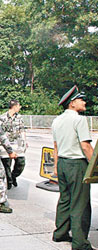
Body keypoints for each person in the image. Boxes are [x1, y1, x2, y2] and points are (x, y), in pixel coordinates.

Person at [51, 85, 94, 250]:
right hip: (77, 164)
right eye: (81, 99)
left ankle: (60, 233)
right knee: (80, 203)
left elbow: (55, 147)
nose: (84, 102)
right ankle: (80, 242)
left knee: (65, 199)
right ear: (72, 103)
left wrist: (55, 167)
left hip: (62, 163)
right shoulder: (79, 119)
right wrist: (94, 168)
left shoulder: (57, 121)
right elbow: (86, 147)